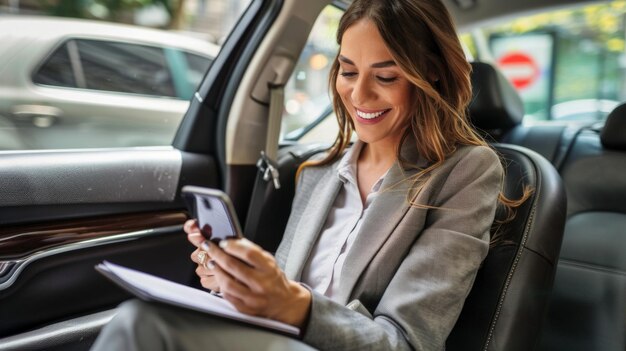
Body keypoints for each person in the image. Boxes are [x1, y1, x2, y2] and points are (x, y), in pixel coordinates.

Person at [91, 0, 516, 349]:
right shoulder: (318, 171)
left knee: (144, 323)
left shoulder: (467, 172)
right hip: (275, 338)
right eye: (348, 71)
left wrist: (293, 304)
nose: (360, 93)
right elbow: (282, 287)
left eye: (385, 76)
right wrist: (236, 282)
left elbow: (405, 341)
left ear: (432, 72)